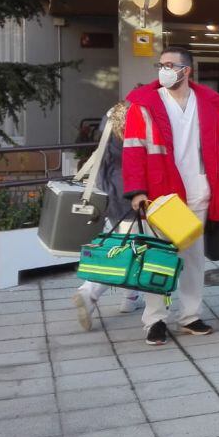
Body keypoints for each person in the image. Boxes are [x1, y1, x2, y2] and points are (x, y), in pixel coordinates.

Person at [124, 46, 219, 346]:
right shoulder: (143, 103)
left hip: (198, 191)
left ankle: (190, 315)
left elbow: (218, 149)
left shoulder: (208, 102)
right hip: (160, 194)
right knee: (158, 257)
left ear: (187, 70)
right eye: (161, 64)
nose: (164, 69)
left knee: (194, 258)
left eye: (170, 65)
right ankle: (154, 319)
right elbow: (133, 150)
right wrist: (137, 191)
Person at [71, 101, 144, 331]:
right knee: (125, 250)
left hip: (109, 187)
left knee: (130, 244)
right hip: (131, 190)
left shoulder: (111, 114)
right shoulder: (137, 117)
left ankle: (130, 299)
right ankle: (89, 292)